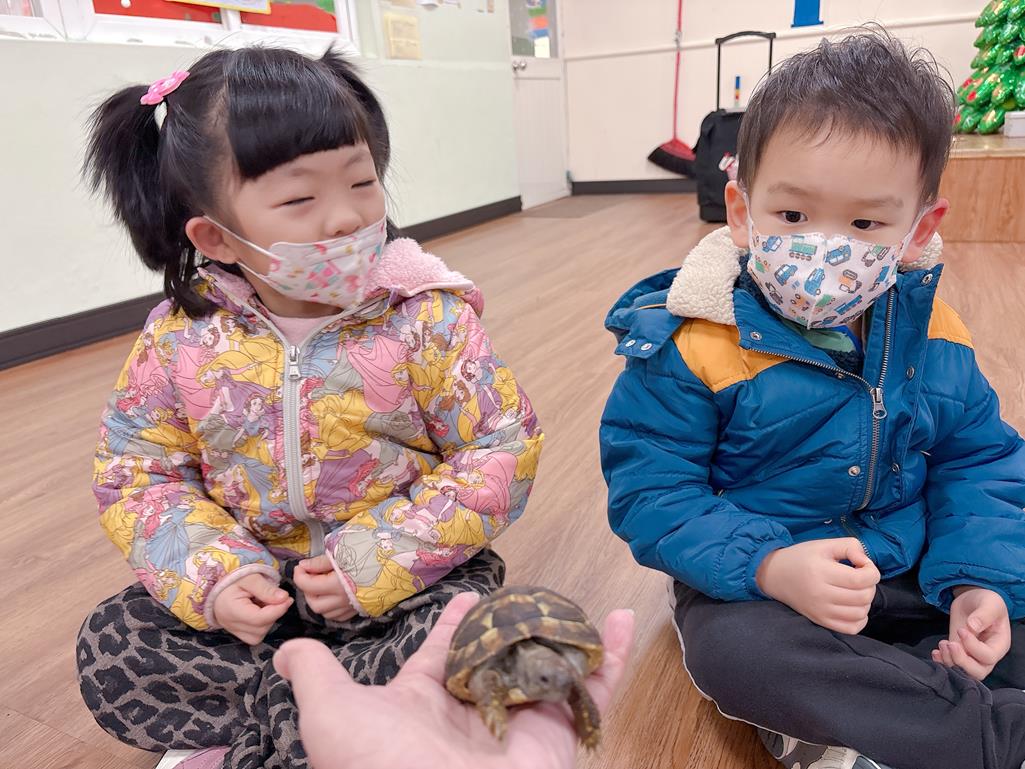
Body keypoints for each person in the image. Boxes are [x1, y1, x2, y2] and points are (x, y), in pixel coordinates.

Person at [75, 47, 542, 769]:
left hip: (397, 589)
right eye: (299, 200)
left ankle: (269, 732)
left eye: (362, 181)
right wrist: (219, 574)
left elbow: (501, 446)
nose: (347, 216)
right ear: (215, 236)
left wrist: (374, 559)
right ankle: (326, 724)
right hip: (260, 601)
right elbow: (138, 473)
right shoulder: (177, 339)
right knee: (113, 641)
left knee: (475, 634)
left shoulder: (427, 318)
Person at [600, 27, 1025, 769]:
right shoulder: (690, 345)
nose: (823, 248)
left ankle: (896, 709)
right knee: (740, 655)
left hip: (913, 568)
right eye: (793, 217)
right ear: (741, 210)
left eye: (865, 224)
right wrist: (769, 564)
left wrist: (976, 582)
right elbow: (651, 493)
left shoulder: (937, 336)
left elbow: (978, 460)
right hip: (763, 586)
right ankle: (982, 734)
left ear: (917, 230)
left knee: (1005, 599)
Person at [273, 593, 636, 769]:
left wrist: (586, 722)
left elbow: (570, 683)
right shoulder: (492, 671)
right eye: (546, 678)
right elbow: (483, 677)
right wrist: (492, 707)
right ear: (528, 672)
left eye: (562, 676)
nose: (561, 686)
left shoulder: (564, 667)